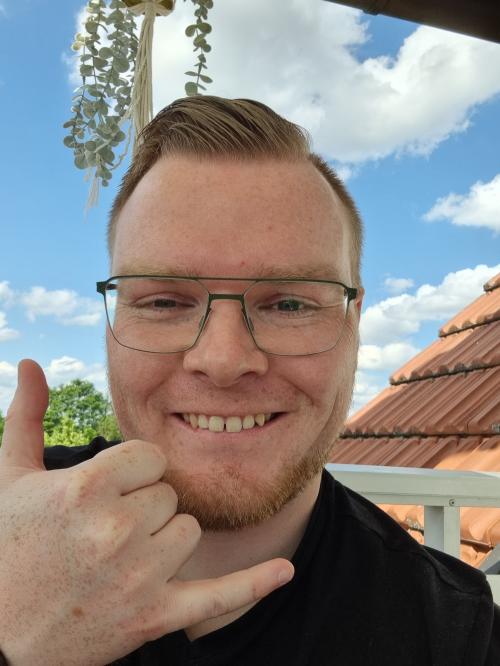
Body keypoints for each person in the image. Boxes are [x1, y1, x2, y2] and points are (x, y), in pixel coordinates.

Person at [0, 96, 498, 666]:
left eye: (288, 304)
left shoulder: (454, 633)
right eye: (164, 301)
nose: (223, 360)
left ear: (353, 324)